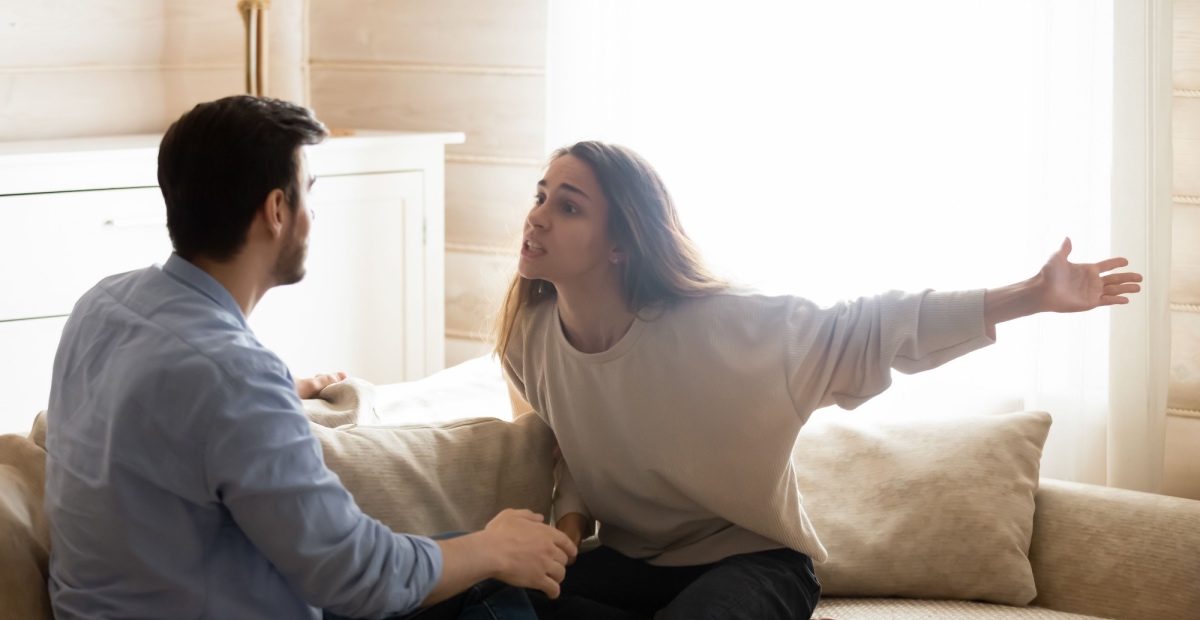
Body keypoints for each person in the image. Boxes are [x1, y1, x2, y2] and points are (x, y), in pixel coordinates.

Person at [491, 140, 1143, 620]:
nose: (539, 215)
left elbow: (876, 325)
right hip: (630, 564)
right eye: (541, 194)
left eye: (568, 206)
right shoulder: (530, 336)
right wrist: (569, 529)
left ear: (620, 243)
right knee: (492, 599)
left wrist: (1031, 293)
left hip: (750, 562)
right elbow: (567, 440)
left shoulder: (724, 328)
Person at [44, 95, 576, 620]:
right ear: (277, 211)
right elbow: (356, 577)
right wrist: (492, 548)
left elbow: (178, 415)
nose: (313, 213)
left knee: (468, 560)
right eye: (309, 193)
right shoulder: (233, 377)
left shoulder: (103, 305)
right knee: (492, 582)